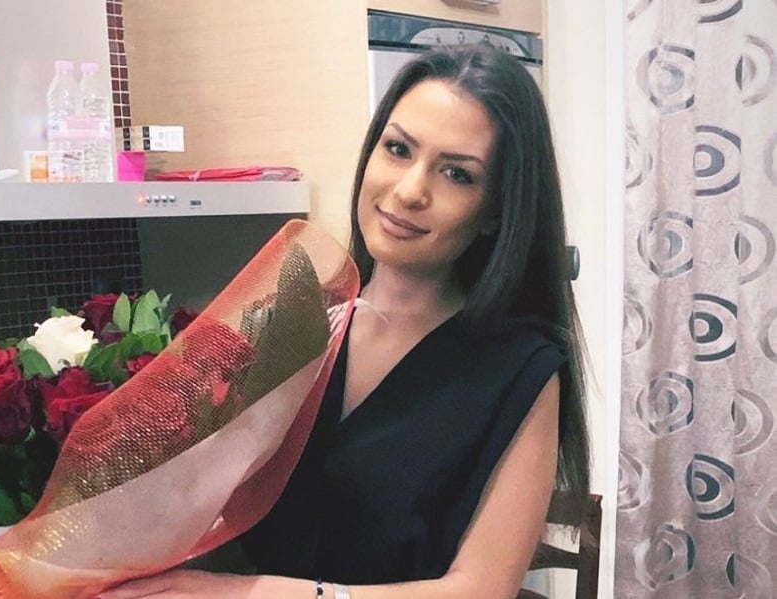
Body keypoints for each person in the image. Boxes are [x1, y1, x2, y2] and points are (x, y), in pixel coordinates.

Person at [101, 43, 590, 599]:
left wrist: (250, 594)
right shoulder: (294, 323)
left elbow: (481, 589)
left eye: (456, 174)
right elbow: (216, 516)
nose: (410, 190)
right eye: (398, 149)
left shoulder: (521, 369)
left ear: (495, 212)